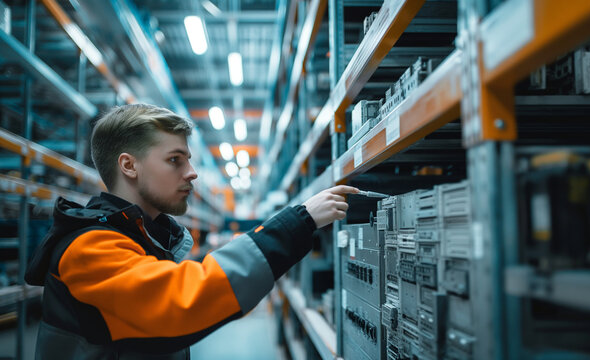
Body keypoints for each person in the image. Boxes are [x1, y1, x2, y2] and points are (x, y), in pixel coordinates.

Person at [25, 104, 358, 359]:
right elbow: (183, 299)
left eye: (189, 160)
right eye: (175, 160)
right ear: (129, 165)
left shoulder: (143, 239)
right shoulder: (89, 249)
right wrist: (299, 221)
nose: (192, 173)